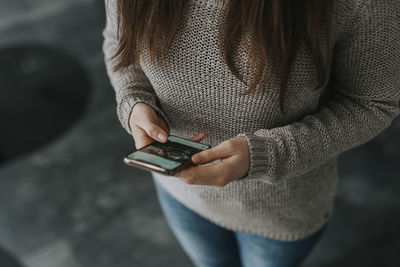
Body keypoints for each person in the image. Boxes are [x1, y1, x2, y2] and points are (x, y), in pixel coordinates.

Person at [102, 0, 400, 266]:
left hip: (280, 209)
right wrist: (133, 98)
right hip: (180, 192)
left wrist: (268, 154)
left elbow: (372, 102)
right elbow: (118, 42)